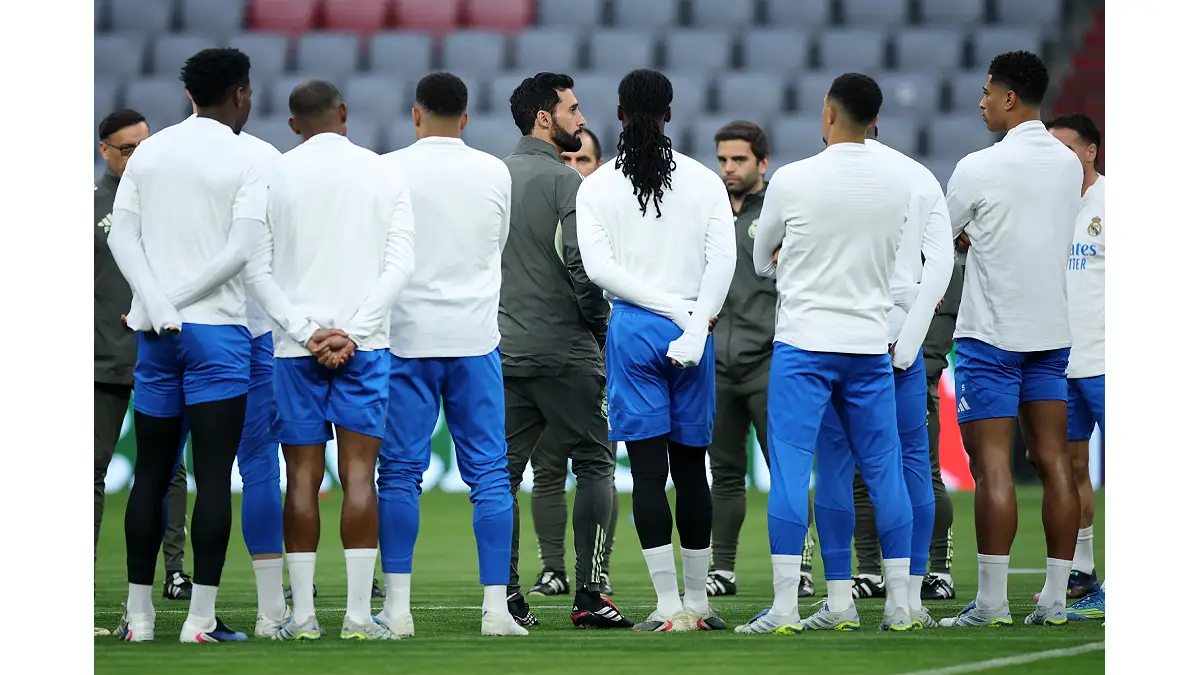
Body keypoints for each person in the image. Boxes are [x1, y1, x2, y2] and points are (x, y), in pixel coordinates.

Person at [735, 73, 916, 634]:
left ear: (828, 114)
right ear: (875, 119)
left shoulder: (793, 179)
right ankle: (900, 606)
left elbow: (762, 257)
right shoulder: (899, 182)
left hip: (804, 345)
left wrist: (790, 259)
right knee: (885, 474)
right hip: (867, 346)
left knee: (791, 472)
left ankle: (788, 607)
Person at [242, 80, 415, 640]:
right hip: (366, 350)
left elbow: (255, 269)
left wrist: (307, 332)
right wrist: (354, 334)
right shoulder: (385, 172)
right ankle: (361, 618)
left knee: (300, 477)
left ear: (293, 124)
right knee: (361, 474)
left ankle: (303, 617)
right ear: (344, 112)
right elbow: (400, 266)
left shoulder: (271, 174)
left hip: (295, 352)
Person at [108, 47, 268, 643]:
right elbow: (241, 250)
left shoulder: (149, 151)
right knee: (213, 475)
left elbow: (122, 235)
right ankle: (200, 619)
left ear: (189, 94)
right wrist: (175, 300)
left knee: (149, 473)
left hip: (156, 335)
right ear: (242, 94)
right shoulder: (247, 156)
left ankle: (141, 618)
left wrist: (154, 300)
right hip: (217, 335)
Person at [577, 69, 736, 633]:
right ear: (670, 113)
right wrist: (691, 324)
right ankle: (700, 605)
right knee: (693, 469)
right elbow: (724, 261)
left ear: (619, 114)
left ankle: (667, 607)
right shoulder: (703, 181)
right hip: (695, 320)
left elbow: (600, 271)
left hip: (634, 328)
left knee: (647, 474)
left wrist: (664, 309)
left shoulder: (595, 186)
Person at [376, 72, 524, 637]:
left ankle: (398, 608)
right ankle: (495, 610)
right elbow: (498, 242)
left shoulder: (387, 168)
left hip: (407, 339)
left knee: (399, 475)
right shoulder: (494, 171)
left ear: (416, 115)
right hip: (475, 340)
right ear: (466, 118)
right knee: (490, 474)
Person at [940, 51, 1083, 628]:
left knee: (992, 468)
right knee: (1054, 463)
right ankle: (1054, 600)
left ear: (1007, 98)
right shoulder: (1070, 165)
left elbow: (940, 235)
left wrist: (968, 236)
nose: (980, 102)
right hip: (1051, 332)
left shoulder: (977, 167)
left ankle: (993, 605)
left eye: (986, 91)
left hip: (992, 335)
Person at [799, 123, 954, 632]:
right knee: (911, 468)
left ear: (831, 121)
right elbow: (941, 265)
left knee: (837, 469)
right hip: (897, 347)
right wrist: (910, 341)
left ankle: (840, 602)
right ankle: (905, 602)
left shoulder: (816, 178)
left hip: (839, 345)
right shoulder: (916, 176)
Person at [498, 72, 631, 629]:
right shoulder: (567, 185)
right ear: (545, 119)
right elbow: (584, 271)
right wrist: (599, 331)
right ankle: (590, 595)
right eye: (573, 110)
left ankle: (502, 597)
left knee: (498, 475)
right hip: (566, 351)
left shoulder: (493, 178)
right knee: (596, 463)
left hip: (502, 350)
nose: (581, 119)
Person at [846, 127, 961, 604]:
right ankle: (871, 571)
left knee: (920, 465)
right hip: (873, 348)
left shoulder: (908, 187)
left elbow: (941, 280)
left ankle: (935, 568)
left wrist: (927, 354)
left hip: (905, 354)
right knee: (866, 469)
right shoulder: (904, 184)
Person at [705, 120, 819, 599]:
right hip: (716, 364)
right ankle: (722, 568)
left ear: (763, 163)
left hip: (771, 362)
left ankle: (803, 566)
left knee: (786, 467)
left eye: (739, 160)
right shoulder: (707, 211)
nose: (729, 169)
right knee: (724, 472)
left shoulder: (782, 212)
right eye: (723, 160)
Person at [93, 109, 191, 637]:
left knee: (171, 470)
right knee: (91, 472)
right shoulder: (89, 204)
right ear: (105, 150)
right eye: (127, 149)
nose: (136, 157)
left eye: (143, 146)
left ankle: (174, 572)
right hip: (102, 361)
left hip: (160, 353)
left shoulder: (167, 201)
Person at [529, 123, 620, 600]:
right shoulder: (544, 209)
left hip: (596, 355)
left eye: (583, 161)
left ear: (598, 167)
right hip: (559, 348)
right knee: (549, 468)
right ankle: (553, 570)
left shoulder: (613, 216)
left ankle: (597, 570)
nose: (574, 169)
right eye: (568, 161)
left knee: (596, 462)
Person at [1046, 112, 1105, 621]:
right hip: (1060, 361)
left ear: (1090, 151)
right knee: (1069, 469)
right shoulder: (1044, 208)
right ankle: (1084, 574)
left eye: (1066, 149)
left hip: (1109, 360)